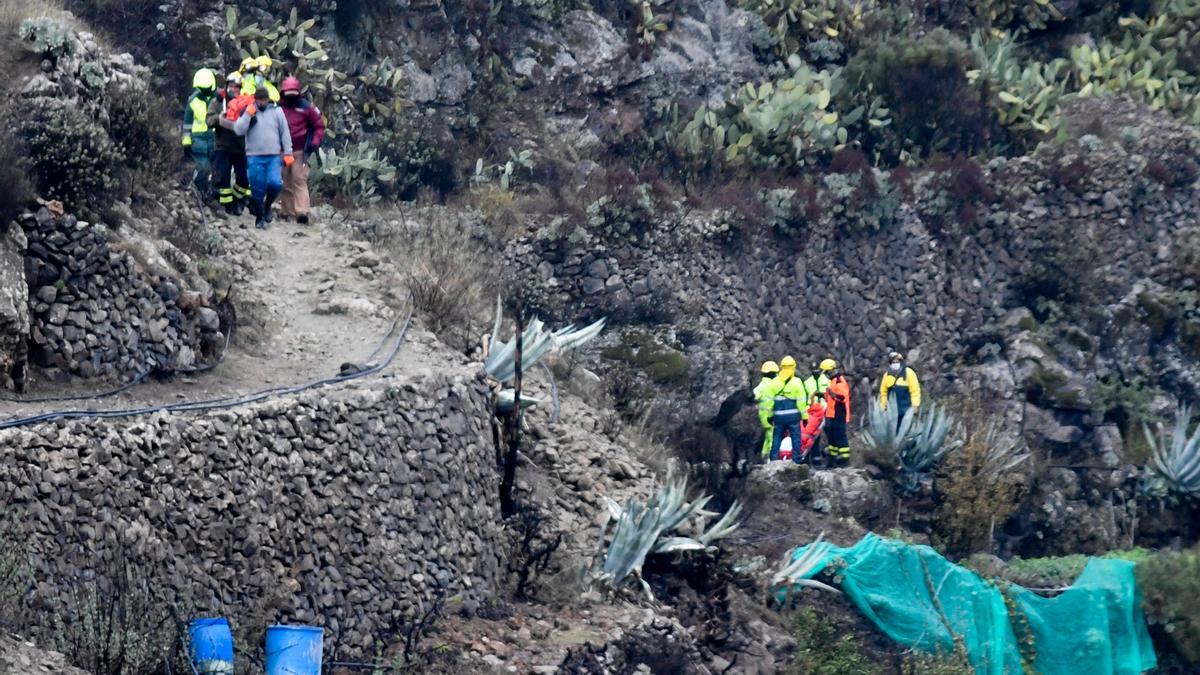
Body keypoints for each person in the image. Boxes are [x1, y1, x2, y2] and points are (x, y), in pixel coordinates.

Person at [234, 87, 293, 229]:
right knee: (257, 188)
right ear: (256, 99)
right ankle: (259, 217)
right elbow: (238, 130)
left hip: (273, 156)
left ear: (268, 99)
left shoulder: (277, 111)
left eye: (265, 99)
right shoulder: (249, 111)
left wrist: (288, 152)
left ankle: (268, 206)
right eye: (260, 100)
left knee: (275, 183)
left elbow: (285, 132)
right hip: (254, 157)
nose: (262, 102)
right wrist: (248, 115)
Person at [278, 76, 325, 224]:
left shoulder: (307, 107)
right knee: (284, 180)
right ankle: (288, 212)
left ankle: (302, 212)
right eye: (288, 94)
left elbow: (319, 126)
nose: (290, 97)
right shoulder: (279, 107)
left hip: (300, 151)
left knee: (299, 179)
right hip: (283, 150)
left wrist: (315, 142)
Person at [208, 72, 251, 215]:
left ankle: (238, 200)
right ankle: (227, 206)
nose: (233, 89)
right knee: (224, 180)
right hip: (223, 147)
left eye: (236, 87)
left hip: (240, 147)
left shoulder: (245, 103)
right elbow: (208, 120)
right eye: (231, 86)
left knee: (243, 179)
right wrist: (219, 119)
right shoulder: (218, 102)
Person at [182, 68, 218, 196]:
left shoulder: (220, 99)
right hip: (199, 141)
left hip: (216, 140)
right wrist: (186, 143)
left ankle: (212, 194)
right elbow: (187, 123)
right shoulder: (193, 100)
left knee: (217, 171)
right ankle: (198, 190)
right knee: (203, 168)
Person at [769, 355, 807, 461]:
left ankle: (774, 459)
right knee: (796, 438)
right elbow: (802, 402)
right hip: (793, 417)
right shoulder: (797, 382)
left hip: (778, 417)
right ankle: (796, 459)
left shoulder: (774, 382)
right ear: (793, 367)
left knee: (776, 438)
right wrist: (805, 417)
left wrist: (769, 416)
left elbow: (769, 402)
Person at [880, 351, 921, 427]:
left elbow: (915, 391)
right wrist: (883, 406)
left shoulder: (909, 373)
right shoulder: (887, 376)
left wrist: (915, 405)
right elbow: (883, 392)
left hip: (906, 411)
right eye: (893, 362)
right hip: (891, 413)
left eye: (897, 362)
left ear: (901, 362)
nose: (895, 364)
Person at [823, 359, 852, 466]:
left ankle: (844, 460)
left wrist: (833, 394)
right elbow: (829, 398)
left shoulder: (840, 381)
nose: (826, 375)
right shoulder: (833, 381)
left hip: (839, 414)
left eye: (826, 372)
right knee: (832, 437)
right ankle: (832, 460)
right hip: (832, 414)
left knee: (841, 437)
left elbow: (842, 398)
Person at [753, 361, 779, 458]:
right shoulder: (775, 385)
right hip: (772, 416)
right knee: (773, 437)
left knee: (767, 438)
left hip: (762, 415)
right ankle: (771, 458)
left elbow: (754, 397)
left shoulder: (761, 385)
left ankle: (763, 456)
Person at [796, 392, 827, 465]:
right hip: (807, 438)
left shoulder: (807, 414)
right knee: (813, 443)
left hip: (799, 436)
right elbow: (816, 431)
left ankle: (807, 461)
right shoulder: (819, 417)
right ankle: (816, 462)